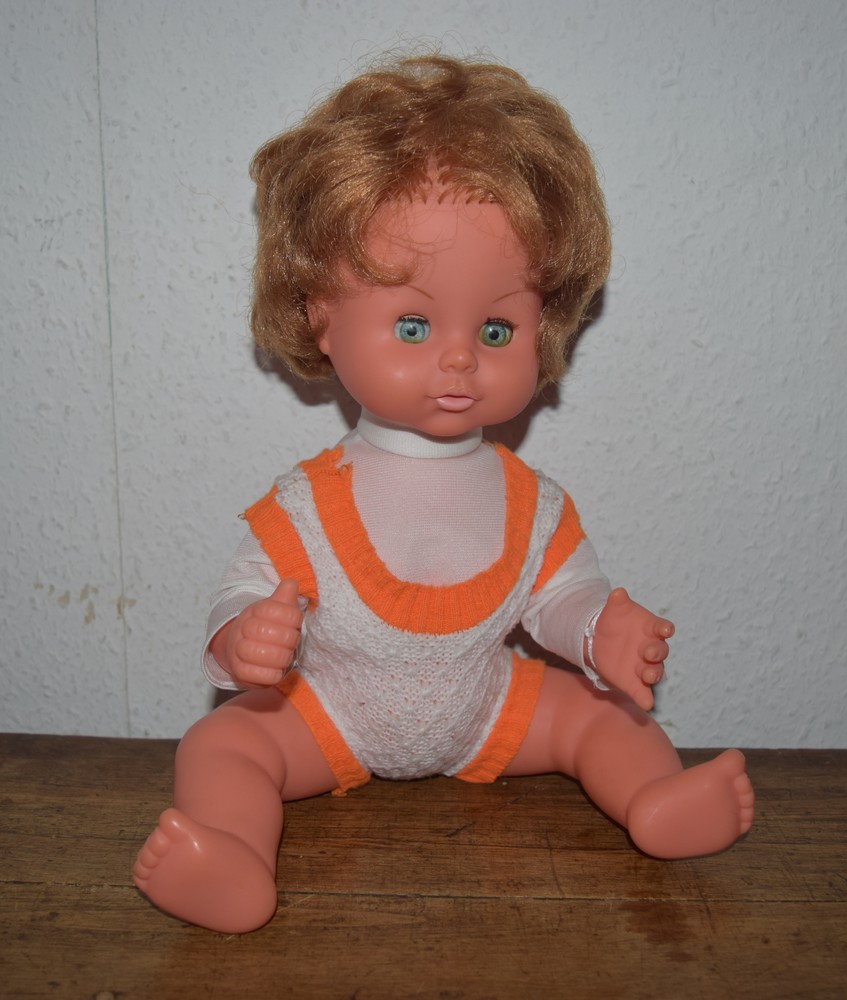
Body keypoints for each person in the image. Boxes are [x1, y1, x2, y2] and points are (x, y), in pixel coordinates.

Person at [134, 54, 753, 933]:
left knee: (602, 714)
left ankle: (657, 800)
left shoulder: (533, 504)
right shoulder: (307, 504)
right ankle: (232, 855)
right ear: (320, 314)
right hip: (329, 712)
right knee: (223, 740)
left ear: (545, 324)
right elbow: (242, 589)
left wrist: (598, 631)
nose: (459, 357)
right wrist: (245, 638)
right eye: (415, 324)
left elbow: (559, 595)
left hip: (487, 707)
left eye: (496, 328)